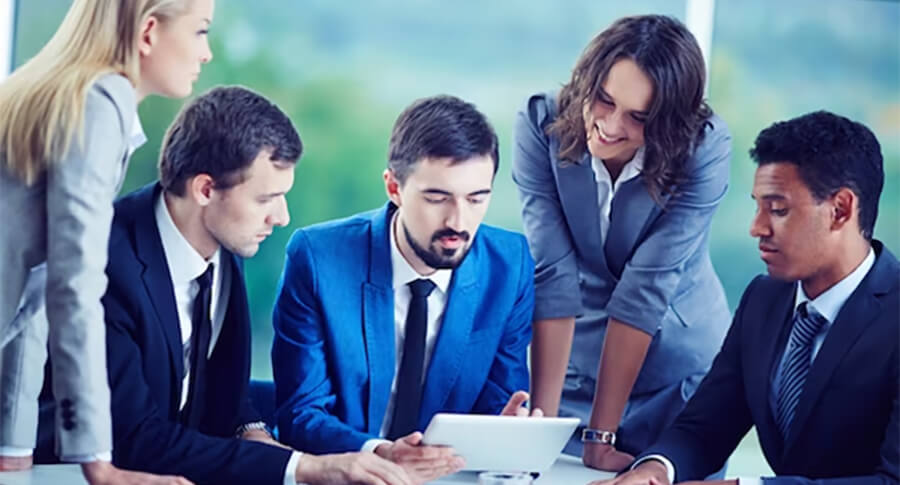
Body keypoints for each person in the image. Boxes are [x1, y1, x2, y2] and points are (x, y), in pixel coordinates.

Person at [36, 86, 413, 485]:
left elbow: (220, 399)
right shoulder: (106, 264)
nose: (281, 217)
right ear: (205, 189)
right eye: (266, 199)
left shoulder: (223, 243)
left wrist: (253, 432)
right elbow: (132, 437)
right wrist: (305, 467)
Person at [601, 110, 898, 485]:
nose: (756, 228)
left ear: (840, 209)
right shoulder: (764, 299)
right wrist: (654, 471)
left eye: (778, 210)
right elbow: (704, 427)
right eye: (757, 206)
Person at [272, 95, 538, 483]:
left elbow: (501, 397)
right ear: (394, 187)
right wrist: (378, 452)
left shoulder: (510, 265)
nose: (458, 222)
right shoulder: (317, 258)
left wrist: (505, 429)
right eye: (437, 197)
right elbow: (299, 413)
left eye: (476, 198)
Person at [0, 0, 214, 483]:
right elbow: (74, 288)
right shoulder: (101, 104)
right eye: (200, 32)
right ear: (149, 32)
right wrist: (100, 464)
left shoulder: (63, 93)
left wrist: (12, 451)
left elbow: (34, 290)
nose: (207, 53)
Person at [511, 14, 732, 472]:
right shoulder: (541, 121)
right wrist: (541, 430)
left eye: (638, 117)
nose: (610, 126)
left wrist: (601, 436)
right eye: (603, 100)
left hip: (677, 376)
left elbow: (645, 287)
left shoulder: (704, 148)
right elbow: (552, 269)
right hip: (577, 362)